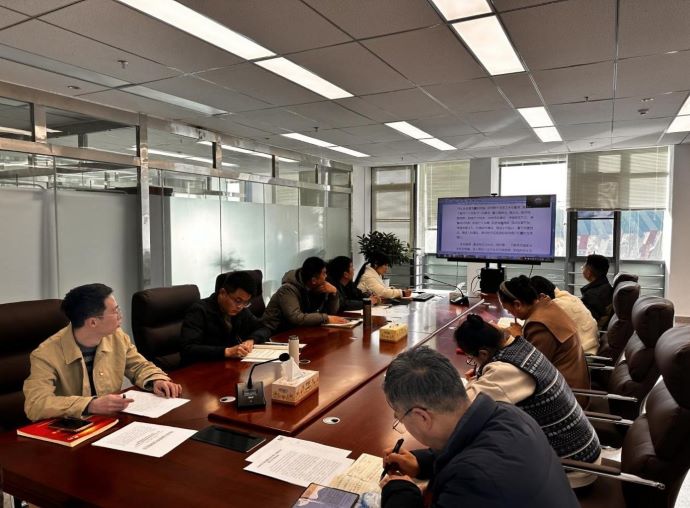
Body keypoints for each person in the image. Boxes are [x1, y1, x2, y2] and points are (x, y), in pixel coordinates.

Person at [380, 347, 578, 508]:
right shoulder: (508, 413)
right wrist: (421, 463)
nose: (402, 423)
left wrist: (401, 492)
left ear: (422, 417)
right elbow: (465, 443)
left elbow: (473, 470)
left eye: (400, 418)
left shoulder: (473, 481)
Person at [455, 314, 600, 488]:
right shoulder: (521, 346)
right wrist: (480, 375)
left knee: (469, 465)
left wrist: (473, 382)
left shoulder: (506, 370)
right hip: (582, 449)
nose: (472, 363)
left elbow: (461, 409)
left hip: (572, 467)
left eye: (471, 358)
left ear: (483, 353)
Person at [23, 283, 181, 421]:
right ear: (93, 322)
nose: (120, 316)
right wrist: (90, 404)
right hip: (71, 431)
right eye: (115, 311)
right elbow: (35, 404)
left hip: (110, 422)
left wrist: (156, 380)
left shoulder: (116, 337)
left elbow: (138, 366)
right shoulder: (45, 355)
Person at [497, 275, 590, 392]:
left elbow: (531, 366)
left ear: (517, 304)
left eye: (508, 310)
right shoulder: (547, 305)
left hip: (563, 393)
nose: (510, 314)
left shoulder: (539, 325)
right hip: (567, 383)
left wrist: (517, 338)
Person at [179, 271, 272, 363]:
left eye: (246, 303)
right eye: (238, 301)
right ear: (223, 292)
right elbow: (188, 349)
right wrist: (227, 351)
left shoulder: (241, 310)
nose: (240, 306)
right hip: (201, 367)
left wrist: (252, 340)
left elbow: (264, 328)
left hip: (228, 365)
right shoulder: (199, 310)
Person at [262, 257, 348, 333]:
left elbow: (331, 313)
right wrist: (326, 318)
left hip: (299, 330)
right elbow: (296, 318)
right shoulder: (288, 289)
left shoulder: (317, 287)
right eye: (324, 273)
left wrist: (334, 293)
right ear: (314, 280)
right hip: (275, 332)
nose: (326, 276)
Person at [530, 275, 599, 355]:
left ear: (541, 296)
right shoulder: (568, 297)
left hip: (584, 355)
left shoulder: (555, 306)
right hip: (591, 348)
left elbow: (542, 338)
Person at [581, 254, 614, 329]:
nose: (582, 267)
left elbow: (584, 320)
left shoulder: (591, 295)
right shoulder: (605, 287)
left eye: (584, 266)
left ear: (589, 272)